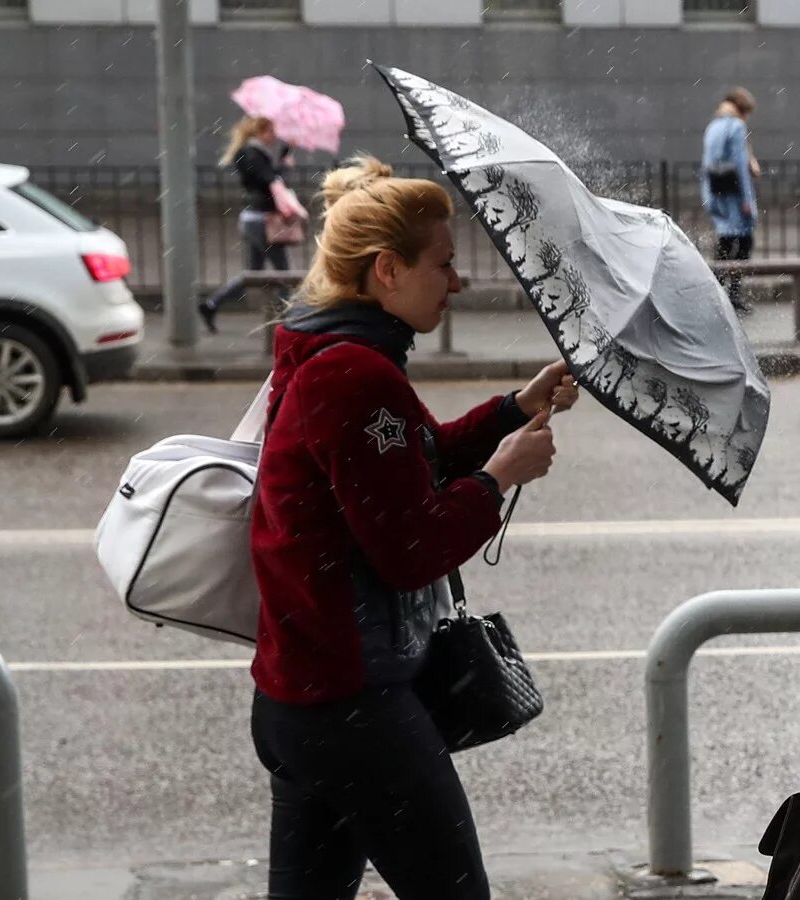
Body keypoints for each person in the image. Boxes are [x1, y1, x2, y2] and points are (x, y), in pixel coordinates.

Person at [248, 155, 580, 900]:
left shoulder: (332, 355)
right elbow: (408, 548)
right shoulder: (355, 375)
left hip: (302, 702)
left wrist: (511, 410)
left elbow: (410, 461)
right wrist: (501, 476)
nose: (457, 282)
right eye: (444, 264)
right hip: (355, 708)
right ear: (387, 272)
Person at [198, 116, 303, 334]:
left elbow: (268, 177)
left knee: (253, 274)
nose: (273, 136)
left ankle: (212, 304)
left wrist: (285, 154)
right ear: (259, 132)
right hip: (262, 221)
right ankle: (288, 323)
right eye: (270, 131)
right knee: (285, 274)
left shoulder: (251, 153)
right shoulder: (252, 154)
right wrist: (284, 166)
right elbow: (269, 180)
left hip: (253, 219)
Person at [701, 86, 759, 313]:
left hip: (717, 195)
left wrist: (708, 197)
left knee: (724, 246)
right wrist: (747, 200)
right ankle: (732, 295)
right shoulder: (736, 127)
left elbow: (707, 166)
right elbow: (741, 166)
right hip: (734, 196)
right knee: (743, 244)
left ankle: (716, 297)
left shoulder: (713, 127)